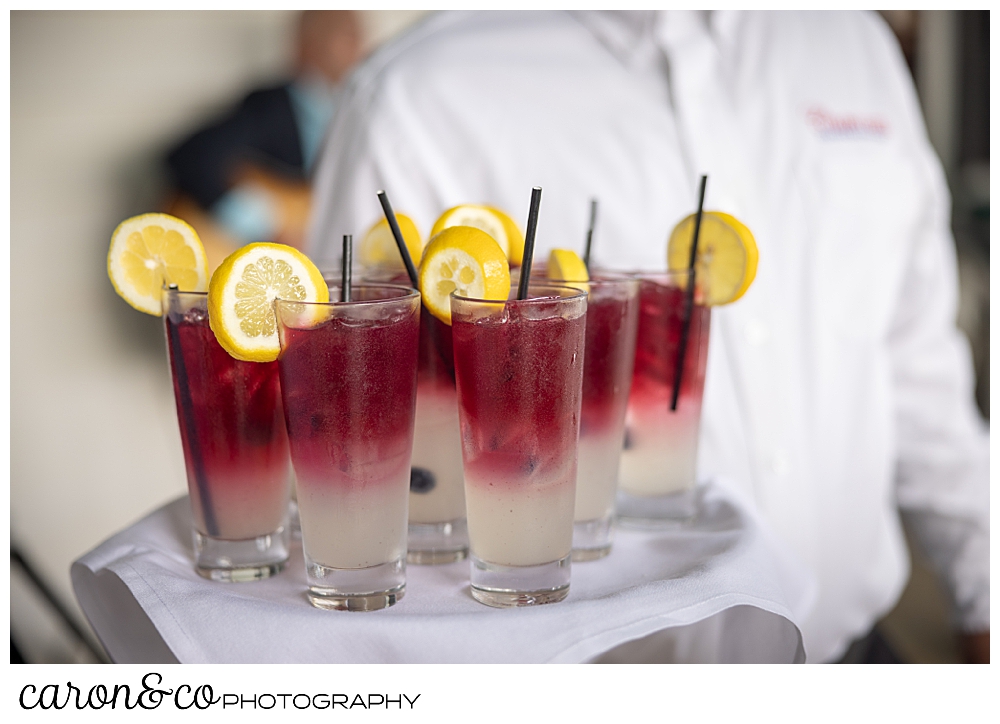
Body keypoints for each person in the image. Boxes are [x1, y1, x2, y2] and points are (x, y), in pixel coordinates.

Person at [306, 10, 989, 663]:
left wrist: (985, 593)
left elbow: (917, 367)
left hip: (855, 663)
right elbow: (358, 454)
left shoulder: (856, 44)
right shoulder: (412, 95)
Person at [166, 10, 363, 269]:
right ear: (308, 43)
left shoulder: (355, 110)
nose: (361, 43)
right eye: (347, 34)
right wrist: (260, 223)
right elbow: (191, 156)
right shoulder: (269, 105)